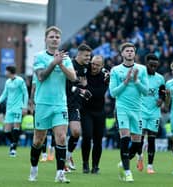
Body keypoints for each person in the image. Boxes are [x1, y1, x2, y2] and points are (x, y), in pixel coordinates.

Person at [28, 26, 76, 183]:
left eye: (57, 37)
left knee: (61, 138)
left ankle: (60, 174)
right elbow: (41, 76)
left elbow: (73, 77)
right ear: (45, 39)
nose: (54, 39)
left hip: (60, 104)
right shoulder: (39, 57)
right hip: (42, 104)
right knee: (38, 141)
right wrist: (54, 63)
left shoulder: (66, 58)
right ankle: (34, 169)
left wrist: (61, 64)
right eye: (52, 37)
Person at [109, 42, 148, 182]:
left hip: (137, 109)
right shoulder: (115, 70)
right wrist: (126, 81)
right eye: (127, 51)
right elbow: (113, 93)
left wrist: (136, 81)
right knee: (125, 138)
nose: (130, 53)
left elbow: (145, 91)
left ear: (135, 53)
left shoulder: (142, 69)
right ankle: (127, 171)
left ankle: (122, 163)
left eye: (132, 51)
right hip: (122, 108)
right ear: (122, 53)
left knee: (137, 143)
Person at [136, 53, 165, 174]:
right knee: (140, 138)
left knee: (152, 139)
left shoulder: (160, 78)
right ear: (146, 64)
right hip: (141, 111)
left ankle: (150, 166)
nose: (153, 67)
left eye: (155, 65)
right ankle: (140, 158)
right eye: (151, 65)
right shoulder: (140, 76)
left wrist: (161, 99)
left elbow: (162, 92)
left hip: (154, 113)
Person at [65, 43, 92, 171]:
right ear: (79, 54)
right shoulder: (69, 64)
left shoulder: (86, 68)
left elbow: (83, 83)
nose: (88, 58)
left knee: (76, 132)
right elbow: (66, 86)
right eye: (86, 56)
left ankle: (68, 156)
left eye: (89, 56)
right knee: (60, 134)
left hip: (75, 103)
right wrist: (81, 90)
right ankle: (61, 162)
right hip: (62, 102)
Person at [80, 55, 109, 174]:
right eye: (93, 63)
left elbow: (99, 93)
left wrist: (86, 86)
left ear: (102, 66)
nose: (94, 66)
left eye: (97, 65)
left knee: (98, 140)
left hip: (99, 111)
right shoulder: (85, 71)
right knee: (87, 136)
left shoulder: (105, 77)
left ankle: (95, 166)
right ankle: (85, 163)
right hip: (86, 110)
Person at [0, 65, 29, 157]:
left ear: (9, 72)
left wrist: (25, 107)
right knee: (6, 131)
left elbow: (25, 94)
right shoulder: (8, 82)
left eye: (6, 71)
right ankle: (14, 142)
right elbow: (4, 93)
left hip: (18, 107)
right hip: (9, 108)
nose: (5, 73)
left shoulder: (20, 81)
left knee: (16, 127)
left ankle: (13, 149)